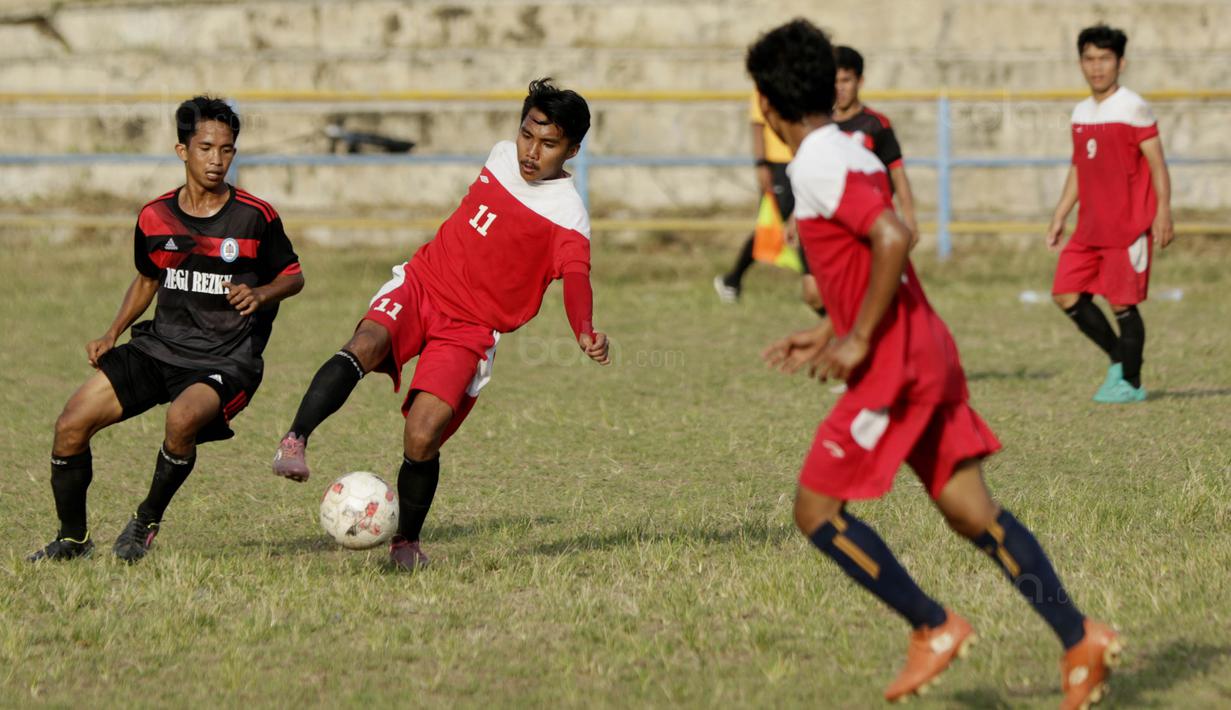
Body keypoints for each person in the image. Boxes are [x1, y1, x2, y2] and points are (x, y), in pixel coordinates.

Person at [751, 20, 1120, 707]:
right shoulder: (850, 149)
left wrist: (857, 339)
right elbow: (874, 250)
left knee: (814, 510)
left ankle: (932, 625)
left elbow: (892, 236)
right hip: (923, 347)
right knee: (971, 514)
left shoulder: (815, 163)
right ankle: (1079, 637)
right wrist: (832, 325)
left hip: (894, 364)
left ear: (768, 108)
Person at [272, 78, 610, 571]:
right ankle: (295, 440)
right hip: (422, 285)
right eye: (527, 135)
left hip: (471, 328)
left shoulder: (568, 216)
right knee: (366, 343)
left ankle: (405, 542)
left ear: (574, 149)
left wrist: (584, 327)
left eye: (549, 143)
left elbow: (577, 276)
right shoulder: (499, 156)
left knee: (423, 434)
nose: (531, 152)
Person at [29, 96, 305, 563]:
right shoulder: (154, 216)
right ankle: (72, 539)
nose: (217, 160)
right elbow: (147, 278)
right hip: (160, 346)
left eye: (227, 150)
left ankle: (145, 521)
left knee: (181, 419)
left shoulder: (256, 216)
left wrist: (261, 295)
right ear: (183, 151)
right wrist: (112, 332)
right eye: (206, 148)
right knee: (70, 425)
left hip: (225, 358)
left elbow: (293, 276)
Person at [1047, 24, 1173, 403]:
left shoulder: (1133, 106)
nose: (1096, 67)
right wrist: (1060, 214)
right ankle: (1120, 358)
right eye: (1089, 58)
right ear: (1080, 62)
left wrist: (1163, 211)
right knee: (1065, 294)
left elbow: (1157, 164)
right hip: (1089, 227)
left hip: (1127, 226)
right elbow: (1078, 168)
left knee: (1122, 303)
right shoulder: (1081, 112)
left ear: (1121, 62)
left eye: (1105, 58)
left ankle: (1131, 384)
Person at [713, 91, 806, 305]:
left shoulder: (802, 71)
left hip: (803, 158)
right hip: (778, 164)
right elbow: (758, 124)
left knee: (793, 223)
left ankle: (732, 279)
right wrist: (761, 163)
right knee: (778, 224)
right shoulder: (767, 76)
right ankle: (733, 278)